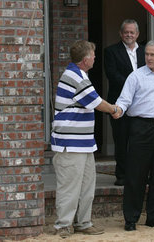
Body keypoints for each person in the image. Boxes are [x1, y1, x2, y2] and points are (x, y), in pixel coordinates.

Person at [50, 40, 120, 238]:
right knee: (69, 187)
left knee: (87, 185)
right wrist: (115, 109)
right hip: (70, 144)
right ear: (85, 59)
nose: (95, 57)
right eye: (93, 54)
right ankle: (63, 225)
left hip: (83, 144)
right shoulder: (75, 76)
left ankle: (83, 222)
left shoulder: (80, 74)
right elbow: (97, 103)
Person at [115, 40, 154, 231]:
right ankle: (131, 219)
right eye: (147, 55)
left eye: (152, 55)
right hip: (141, 127)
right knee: (136, 174)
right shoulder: (136, 76)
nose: (149, 58)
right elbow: (124, 99)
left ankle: (153, 218)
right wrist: (117, 109)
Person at [104, 19, 145, 186]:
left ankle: (139, 174)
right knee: (121, 139)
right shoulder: (111, 51)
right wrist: (134, 87)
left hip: (142, 103)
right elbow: (112, 76)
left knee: (139, 141)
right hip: (119, 102)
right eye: (126, 32)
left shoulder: (145, 51)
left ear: (137, 34)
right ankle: (121, 175)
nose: (129, 35)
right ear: (121, 34)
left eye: (132, 32)